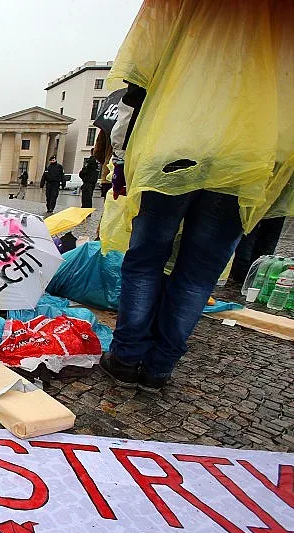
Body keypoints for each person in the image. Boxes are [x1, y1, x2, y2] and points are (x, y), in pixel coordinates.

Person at [99, 0, 293, 391]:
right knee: (197, 274)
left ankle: (127, 356)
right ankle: (159, 368)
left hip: (177, 139)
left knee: (145, 259)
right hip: (251, 151)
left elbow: (141, 68)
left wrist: (122, 151)